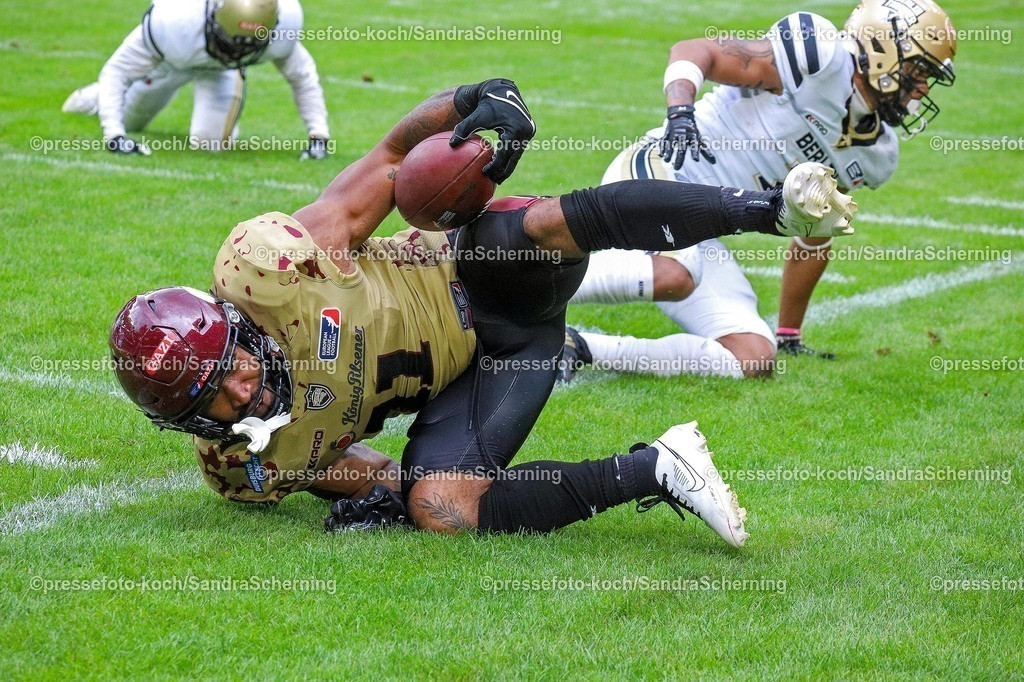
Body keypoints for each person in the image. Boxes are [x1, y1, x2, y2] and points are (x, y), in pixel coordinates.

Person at [109, 77, 856, 548]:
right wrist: (387, 495)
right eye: (212, 401)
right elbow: (378, 481)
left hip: (473, 272)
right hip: (498, 366)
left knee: (539, 229)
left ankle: (769, 210)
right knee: (441, 505)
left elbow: (393, 161)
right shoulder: (246, 467)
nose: (240, 391)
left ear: (237, 328)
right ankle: (656, 468)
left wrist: (466, 102)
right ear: (187, 424)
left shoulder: (271, 269)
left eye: (230, 368)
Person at [562, 0, 956, 380]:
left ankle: (577, 347)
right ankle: (513, 274)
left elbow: (814, 235)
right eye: (918, 71)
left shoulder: (878, 153)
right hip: (660, 170)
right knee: (676, 273)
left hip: (700, 228)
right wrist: (680, 113)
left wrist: (788, 334)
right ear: (883, 49)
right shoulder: (818, 56)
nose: (921, 89)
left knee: (753, 356)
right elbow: (695, 49)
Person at [61, 0, 331, 159]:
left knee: (209, 145)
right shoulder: (175, 22)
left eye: (248, 44)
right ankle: (94, 97)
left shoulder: (282, 29)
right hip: (171, 63)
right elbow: (118, 71)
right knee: (130, 121)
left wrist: (318, 135)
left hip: (223, 72)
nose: (238, 49)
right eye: (232, 41)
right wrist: (114, 135)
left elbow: (302, 77)